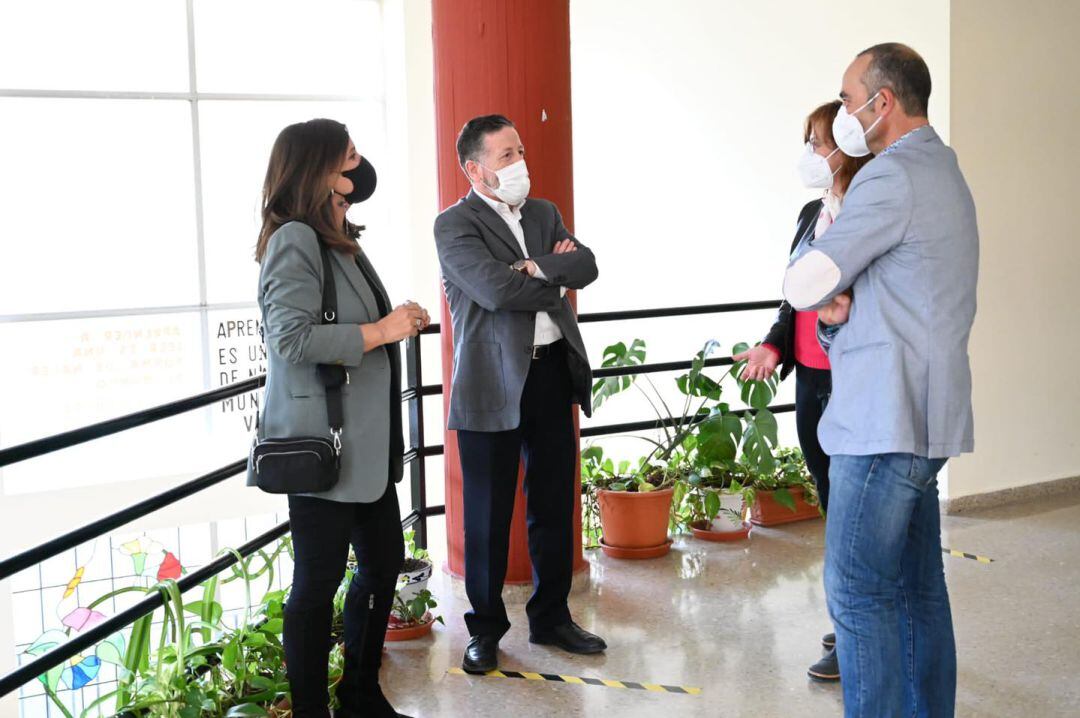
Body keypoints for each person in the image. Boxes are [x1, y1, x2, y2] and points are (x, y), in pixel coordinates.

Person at [783, 44, 979, 716]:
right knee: (917, 589)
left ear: (882, 103)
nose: (842, 113)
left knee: (858, 592)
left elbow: (808, 281)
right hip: (929, 417)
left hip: (883, 422)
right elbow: (889, 303)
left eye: (846, 99)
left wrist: (820, 257)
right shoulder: (942, 169)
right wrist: (837, 313)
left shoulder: (889, 177)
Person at [249, 118, 430, 718]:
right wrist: (381, 330)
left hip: (366, 446)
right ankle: (312, 711)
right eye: (349, 155)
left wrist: (395, 320)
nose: (360, 166)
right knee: (316, 584)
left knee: (380, 569)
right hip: (321, 446)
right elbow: (290, 338)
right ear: (321, 169)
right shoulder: (293, 239)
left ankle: (360, 694)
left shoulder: (340, 239)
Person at [433, 114, 602, 675]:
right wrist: (548, 273)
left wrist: (535, 265)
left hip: (551, 373)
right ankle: (484, 631)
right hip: (491, 382)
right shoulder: (453, 226)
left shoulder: (544, 212)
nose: (520, 163)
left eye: (520, 150)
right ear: (475, 168)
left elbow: (587, 265)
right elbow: (495, 289)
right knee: (486, 513)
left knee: (554, 502)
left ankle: (552, 617)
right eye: (507, 155)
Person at [735, 100, 871, 682]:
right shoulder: (811, 211)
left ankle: (855, 633)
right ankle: (851, 617)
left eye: (819, 142)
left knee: (853, 513)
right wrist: (774, 343)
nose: (811, 154)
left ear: (846, 144)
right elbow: (794, 294)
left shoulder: (871, 208)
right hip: (814, 375)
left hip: (858, 376)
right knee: (831, 501)